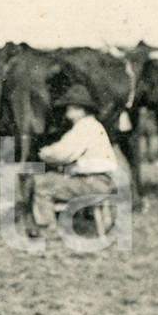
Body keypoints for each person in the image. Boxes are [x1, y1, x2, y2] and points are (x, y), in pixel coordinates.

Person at [31, 84, 118, 235]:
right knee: (60, 179)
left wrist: (43, 153)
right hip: (106, 182)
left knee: (42, 184)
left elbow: (63, 153)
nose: (67, 112)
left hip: (93, 183)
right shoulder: (95, 125)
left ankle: (49, 230)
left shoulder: (83, 127)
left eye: (70, 108)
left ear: (80, 110)